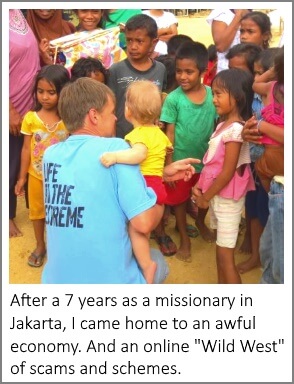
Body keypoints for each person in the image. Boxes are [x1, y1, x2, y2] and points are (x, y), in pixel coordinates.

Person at [41, 77, 198, 284]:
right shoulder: (115, 148)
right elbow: (144, 223)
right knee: (159, 260)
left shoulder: (50, 155)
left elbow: (92, 185)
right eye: (112, 112)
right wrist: (160, 188)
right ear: (94, 116)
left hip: (55, 282)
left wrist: (161, 173)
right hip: (113, 284)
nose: (116, 119)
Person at [100, 80, 174, 283]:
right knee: (141, 231)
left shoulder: (138, 135)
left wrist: (115, 157)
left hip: (144, 184)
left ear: (129, 110)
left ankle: (147, 265)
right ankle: (142, 259)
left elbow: (139, 155)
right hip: (157, 183)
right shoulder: (159, 134)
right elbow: (166, 151)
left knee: (135, 228)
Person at [192, 68, 255, 284]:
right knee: (220, 255)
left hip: (227, 200)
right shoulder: (222, 126)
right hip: (218, 198)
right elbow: (211, 163)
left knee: (226, 258)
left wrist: (205, 197)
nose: (214, 99)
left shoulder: (236, 131)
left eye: (219, 94)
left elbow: (227, 172)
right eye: (214, 93)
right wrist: (200, 187)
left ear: (237, 97)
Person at [160, 41, 218, 262]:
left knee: (203, 197)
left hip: (206, 162)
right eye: (179, 71)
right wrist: (169, 164)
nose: (183, 76)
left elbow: (216, 130)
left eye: (189, 72)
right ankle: (184, 236)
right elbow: (169, 135)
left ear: (204, 71)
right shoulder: (174, 99)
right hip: (180, 163)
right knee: (180, 201)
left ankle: (201, 222)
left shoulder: (213, 96)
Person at [15, 65, 70, 267]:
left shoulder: (69, 119)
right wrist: (22, 177)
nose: (45, 97)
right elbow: (26, 150)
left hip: (62, 178)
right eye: (40, 91)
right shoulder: (30, 118)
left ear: (63, 91)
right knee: (37, 212)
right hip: (36, 176)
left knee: (60, 212)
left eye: (51, 92)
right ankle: (40, 245)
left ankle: (60, 248)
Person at [107, 14, 167, 139]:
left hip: (150, 140)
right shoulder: (115, 70)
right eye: (129, 40)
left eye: (139, 41)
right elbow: (109, 108)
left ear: (153, 42)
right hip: (121, 139)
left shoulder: (160, 69)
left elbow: (161, 101)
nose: (133, 46)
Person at [241, 112, 284, 284]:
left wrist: (261, 125)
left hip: (278, 182)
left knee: (281, 265)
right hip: (275, 180)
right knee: (269, 250)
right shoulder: (273, 94)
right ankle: (256, 257)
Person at [9, 9, 40, 237]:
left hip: (28, 104)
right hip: (11, 106)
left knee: (22, 158)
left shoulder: (17, 10)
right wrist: (9, 108)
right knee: (8, 165)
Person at [253, 47, 284, 193]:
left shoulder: (270, 87)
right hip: (280, 155)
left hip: (269, 155)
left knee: (272, 192)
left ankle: (270, 194)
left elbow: (255, 84)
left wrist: (272, 71)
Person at [206, 9, 251, 73]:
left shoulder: (251, 12)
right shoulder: (222, 13)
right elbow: (221, 46)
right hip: (227, 72)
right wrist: (238, 16)